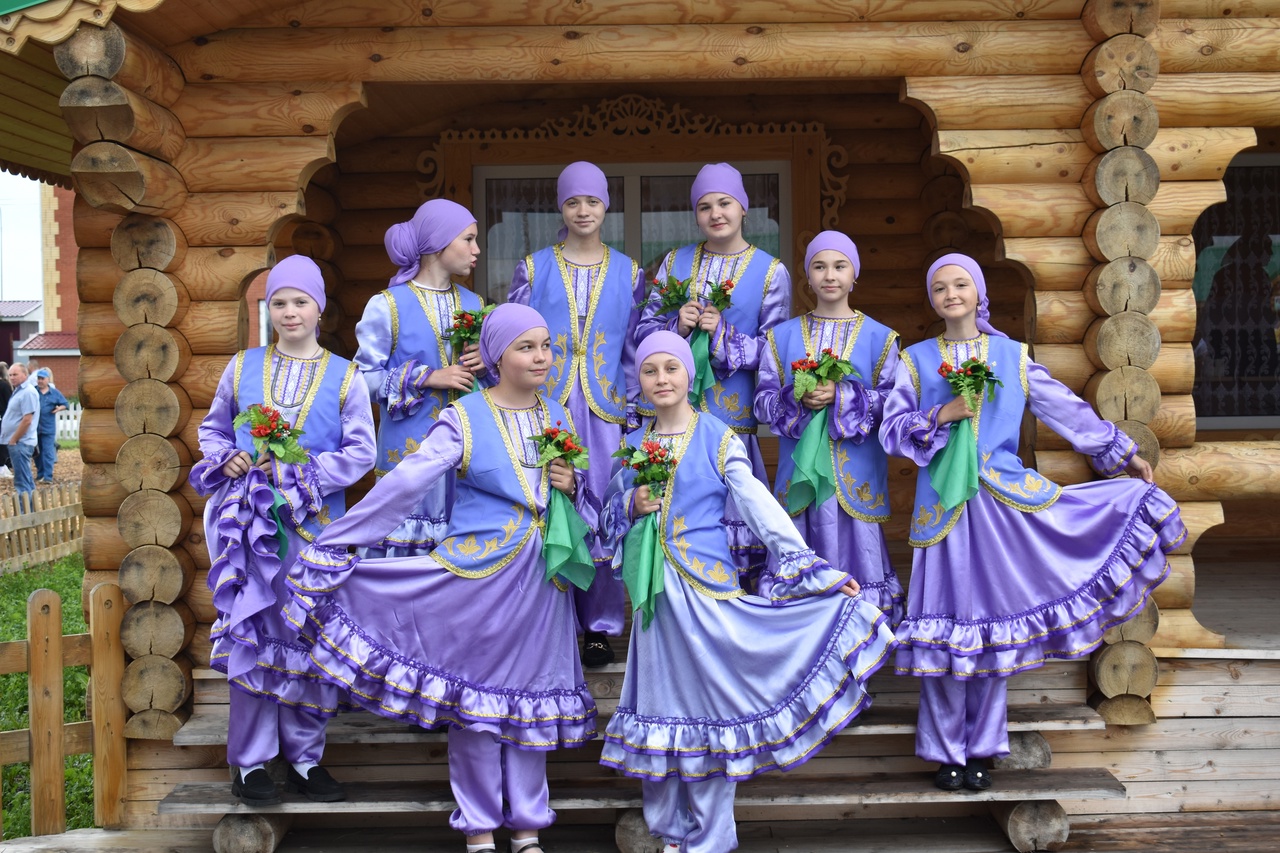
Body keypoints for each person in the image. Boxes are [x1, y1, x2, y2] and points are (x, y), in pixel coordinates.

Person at [287, 304, 597, 853]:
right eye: (526, 347)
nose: (542, 357)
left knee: (528, 702)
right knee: (475, 707)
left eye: (546, 345)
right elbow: (407, 482)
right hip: (476, 580)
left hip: (543, 584)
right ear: (496, 355)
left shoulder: (559, 415)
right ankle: (479, 831)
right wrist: (342, 536)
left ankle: (528, 830)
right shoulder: (465, 416)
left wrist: (571, 486)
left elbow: (582, 509)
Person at [879, 252, 1186, 792]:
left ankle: (981, 748)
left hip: (1003, 507)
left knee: (992, 628)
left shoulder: (1011, 356)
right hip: (943, 513)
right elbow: (891, 430)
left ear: (978, 293)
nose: (951, 295)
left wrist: (1121, 452)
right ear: (931, 298)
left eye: (961, 284)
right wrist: (942, 413)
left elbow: (1065, 409)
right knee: (947, 630)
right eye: (940, 287)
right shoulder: (915, 360)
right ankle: (945, 751)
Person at [599, 331, 898, 853]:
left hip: (707, 594)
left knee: (711, 712)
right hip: (655, 602)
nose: (661, 379)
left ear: (689, 374)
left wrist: (812, 569)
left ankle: (710, 840)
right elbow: (605, 520)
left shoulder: (716, 436)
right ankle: (671, 833)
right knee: (662, 709)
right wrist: (630, 506)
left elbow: (758, 505)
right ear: (640, 381)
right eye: (650, 370)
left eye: (671, 367)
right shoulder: (633, 444)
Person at [188, 255, 376, 806]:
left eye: (300, 301)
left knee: (308, 636)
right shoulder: (242, 367)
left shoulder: (347, 377)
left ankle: (305, 758)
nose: (289, 312)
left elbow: (361, 452)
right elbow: (214, 428)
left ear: (320, 308)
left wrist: (297, 473)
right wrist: (226, 458)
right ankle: (249, 763)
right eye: (278, 303)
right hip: (251, 532)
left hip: (314, 531)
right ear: (266, 310)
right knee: (253, 634)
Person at [508, 161, 647, 667]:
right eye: (572, 201)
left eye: (591, 201)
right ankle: (549, 620)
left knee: (603, 510)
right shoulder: (533, 267)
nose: (582, 210)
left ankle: (598, 627)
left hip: (606, 412)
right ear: (560, 207)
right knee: (547, 504)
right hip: (546, 408)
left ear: (605, 206)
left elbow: (633, 348)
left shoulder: (629, 271)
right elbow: (514, 335)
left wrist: (634, 410)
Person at [635, 163, 791, 578]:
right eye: (704, 207)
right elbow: (644, 334)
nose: (715, 213)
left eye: (724, 203)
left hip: (729, 418)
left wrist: (723, 335)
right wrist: (677, 327)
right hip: (674, 415)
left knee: (734, 526)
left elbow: (774, 352)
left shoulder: (771, 272)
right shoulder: (675, 262)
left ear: (743, 208)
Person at [755, 231, 904, 625]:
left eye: (840, 266)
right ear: (807, 276)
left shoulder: (881, 339)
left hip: (856, 481)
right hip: (800, 480)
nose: (830, 275)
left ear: (855, 274)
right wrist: (796, 398)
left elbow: (895, 405)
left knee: (859, 564)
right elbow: (762, 403)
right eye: (819, 266)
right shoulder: (781, 337)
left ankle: (862, 644)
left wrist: (844, 396)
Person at [353, 198, 487, 556]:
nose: (476, 249)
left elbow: (489, 386)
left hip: (465, 453)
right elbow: (361, 381)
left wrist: (488, 365)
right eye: (468, 239)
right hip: (408, 457)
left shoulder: (475, 305)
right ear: (438, 243)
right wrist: (426, 378)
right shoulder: (387, 305)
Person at [1, 363, 39, 503]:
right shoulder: (18, 391)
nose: (12, 377)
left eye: (15, 374)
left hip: (21, 442)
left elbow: (27, 419)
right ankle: (31, 509)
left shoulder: (28, 392)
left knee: (22, 482)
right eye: (10, 375)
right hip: (18, 442)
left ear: (25, 374)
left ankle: (25, 512)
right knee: (26, 478)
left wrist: (13, 439)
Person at [33, 368, 68, 484]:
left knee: (48, 452)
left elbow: (65, 404)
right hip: (35, 428)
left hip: (48, 428)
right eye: (38, 378)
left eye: (42, 379)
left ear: (48, 379)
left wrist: (59, 408)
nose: (40, 381)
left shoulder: (54, 393)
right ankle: (40, 474)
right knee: (37, 452)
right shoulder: (33, 391)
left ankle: (48, 476)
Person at [0, 361, 12, 478]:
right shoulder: (4, 385)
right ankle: (2, 466)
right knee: (3, 442)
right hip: (3, 417)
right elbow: (10, 403)